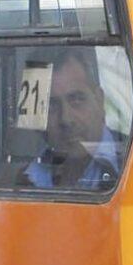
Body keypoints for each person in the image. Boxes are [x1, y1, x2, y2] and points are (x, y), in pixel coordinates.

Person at [22, 47, 123, 193]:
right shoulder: (22, 179)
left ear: (99, 101)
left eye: (77, 100)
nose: (66, 119)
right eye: (51, 105)